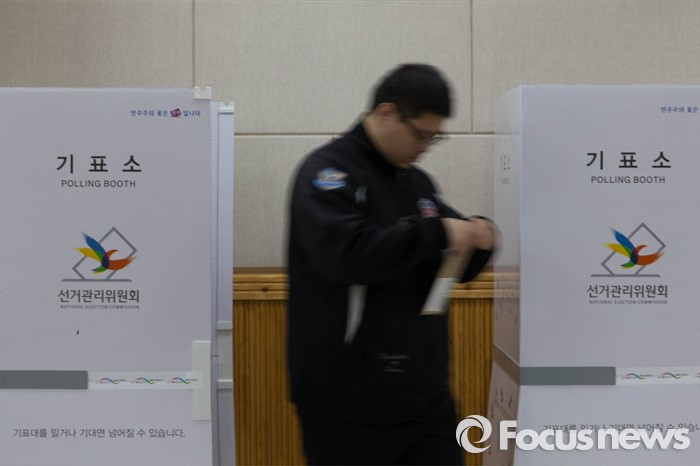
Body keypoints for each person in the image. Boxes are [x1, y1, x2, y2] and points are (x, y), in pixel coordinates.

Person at [286, 63, 496, 465]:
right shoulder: (327, 175)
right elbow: (346, 256)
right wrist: (437, 233)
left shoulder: (417, 184)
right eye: (421, 134)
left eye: (435, 137)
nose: (426, 146)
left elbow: (452, 257)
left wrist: (481, 237)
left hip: (425, 398)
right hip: (347, 403)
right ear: (386, 113)